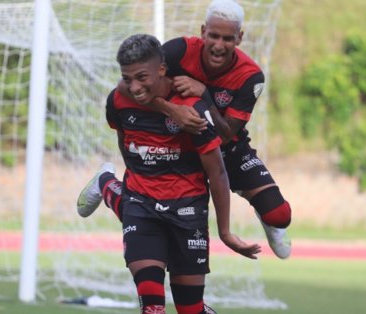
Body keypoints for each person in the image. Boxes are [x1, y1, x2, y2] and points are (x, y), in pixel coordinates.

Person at [78, 0, 292, 259]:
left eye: (227, 38)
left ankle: (263, 213)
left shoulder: (250, 76)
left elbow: (226, 134)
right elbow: (127, 87)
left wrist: (206, 96)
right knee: (147, 215)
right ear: (203, 32)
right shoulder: (177, 51)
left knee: (280, 215)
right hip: (180, 147)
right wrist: (172, 110)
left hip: (227, 147)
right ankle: (106, 183)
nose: (218, 45)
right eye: (213, 35)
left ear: (239, 38)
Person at [84, 33, 261, 314]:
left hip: (188, 210)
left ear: (162, 69)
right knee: (153, 308)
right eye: (127, 78)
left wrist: (225, 232)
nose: (135, 87)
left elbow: (217, 173)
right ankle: (116, 190)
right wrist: (139, 181)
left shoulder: (192, 109)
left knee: (190, 309)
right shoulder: (118, 100)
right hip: (142, 206)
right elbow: (125, 139)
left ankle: (106, 184)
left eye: (142, 77)